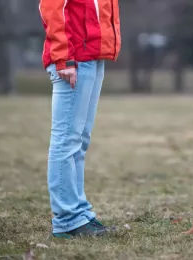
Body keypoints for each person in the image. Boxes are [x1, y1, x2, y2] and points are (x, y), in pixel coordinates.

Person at [39, 0, 121, 238]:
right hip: (73, 59)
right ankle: (68, 219)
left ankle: (80, 213)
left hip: (93, 57)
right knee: (66, 141)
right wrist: (63, 57)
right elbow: (52, 9)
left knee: (79, 141)